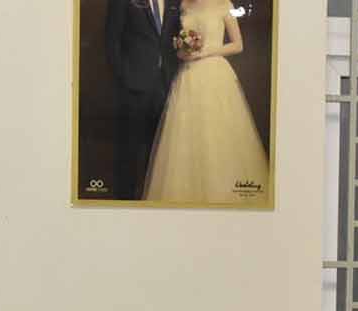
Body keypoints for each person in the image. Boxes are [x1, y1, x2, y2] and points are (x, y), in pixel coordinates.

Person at [143, 0, 270, 205]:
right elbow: (176, 47)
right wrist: (183, 52)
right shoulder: (184, 4)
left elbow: (238, 45)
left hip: (214, 74)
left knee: (216, 133)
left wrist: (205, 52)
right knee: (185, 136)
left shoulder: (224, 4)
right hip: (188, 75)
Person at [105, 0, 182, 200]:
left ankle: (150, 205)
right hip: (133, 86)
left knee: (158, 152)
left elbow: (174, 37)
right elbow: (111, 40)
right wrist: (125, 77)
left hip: (165, 86)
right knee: (128, 151)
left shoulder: (174, 2)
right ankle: (124, 205)